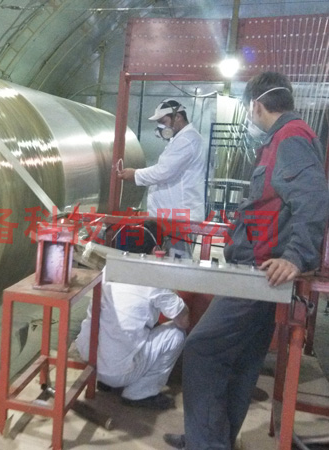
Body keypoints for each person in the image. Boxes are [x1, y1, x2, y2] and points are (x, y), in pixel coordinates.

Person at [163, 72, 329, 449]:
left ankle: (206, 443)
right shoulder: (283, 139)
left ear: (256, 105)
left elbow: (314, 198)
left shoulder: (291, 138)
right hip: (258, 270)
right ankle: (212, 437)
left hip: (262, 274)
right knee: (240, 360)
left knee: (203, 349)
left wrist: (296, 256)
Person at [75, 220, 190, 410]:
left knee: (116, 324)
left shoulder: (109, 268)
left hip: (90, 363)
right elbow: (183, 321)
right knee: (176, 335)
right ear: (156, 250)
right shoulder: (153, 277)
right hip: (118, 372)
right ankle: (139, 393)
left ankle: (105, 383)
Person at [117, 98, 208, 258]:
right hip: (171, 216)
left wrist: (135, 174)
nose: (161, 127)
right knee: (170, 259)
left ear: (178, 117)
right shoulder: (180, 139)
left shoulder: (187, 139)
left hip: (178, 217)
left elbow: (163, 172)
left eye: (163, 122)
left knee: (177, 262)